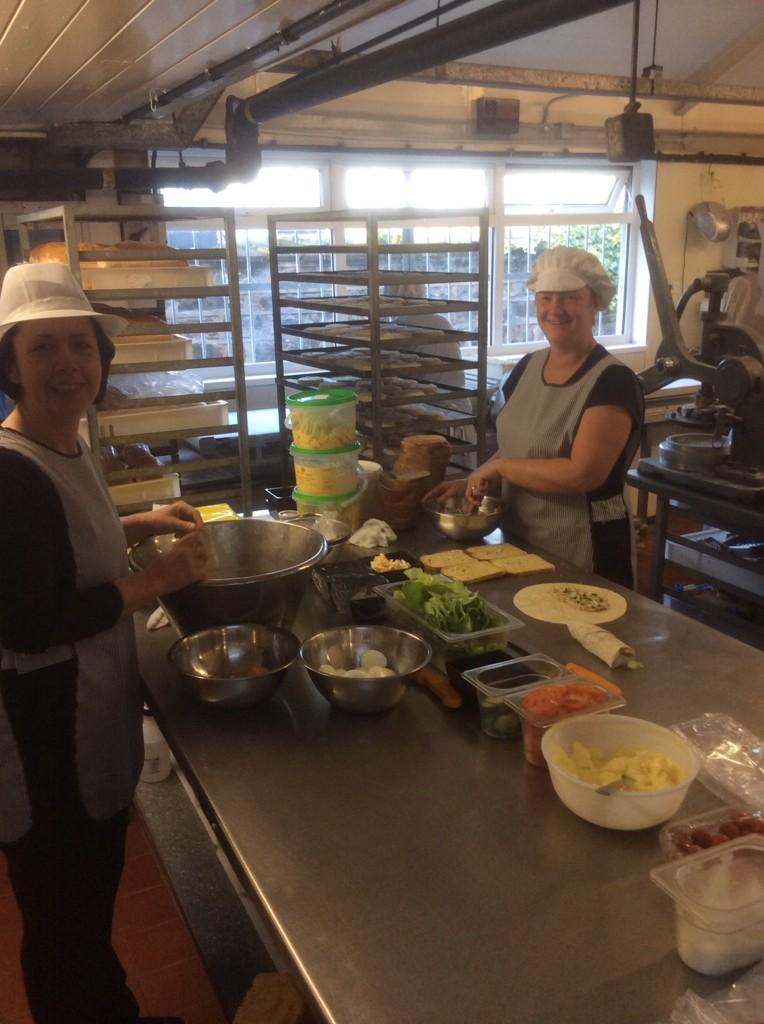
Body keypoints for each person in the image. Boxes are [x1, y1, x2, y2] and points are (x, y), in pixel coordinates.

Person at [0, 262, 211, 1024]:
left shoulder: (62, 440)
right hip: (45, 732)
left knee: (85, 911)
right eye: (43, 349)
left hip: (80, 710)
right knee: (63, 919)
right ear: (12, 366)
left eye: (81, 346)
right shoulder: (9, 469)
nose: (67, 365)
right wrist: (154, 581)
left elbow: (63, 545)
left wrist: (142, 523)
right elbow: (27, 619)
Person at [426, 246, 644, 588]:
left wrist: (499, 468)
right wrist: (478, 477)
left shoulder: (611, 381)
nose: (555, 310)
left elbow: (581, 474)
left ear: (595, 302)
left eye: (569, 297)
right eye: (545, 298)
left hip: (585, 549)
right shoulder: (528, 366)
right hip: (522, 542)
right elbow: (518, 447)